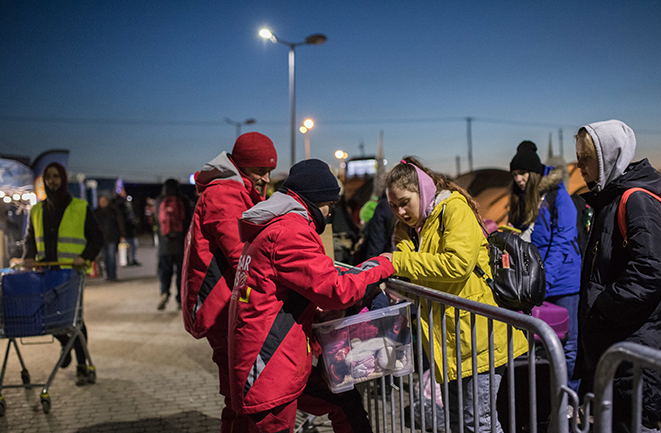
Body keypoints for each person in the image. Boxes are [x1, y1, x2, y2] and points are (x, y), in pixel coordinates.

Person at [229, 159, 394, 433]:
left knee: (343, 401)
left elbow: (284, 291)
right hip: (269, 365)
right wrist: (381, 265)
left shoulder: (277, 226)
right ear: (319, 201)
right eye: (332, 204)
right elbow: (335, 290)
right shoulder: (289, 232)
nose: (330, 215)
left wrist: (314, 310)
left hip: (277, 359)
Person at [383, 157, 528, 433]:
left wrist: (397, 261)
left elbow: (456, 265)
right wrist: (401, 249)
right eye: (393, 206)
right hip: (448, 340)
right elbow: (407, 273)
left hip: (478, 336)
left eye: (404, 202)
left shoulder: (454, 209)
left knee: (479, 423)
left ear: (422, 191)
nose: (400, 212)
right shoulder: (412, 228)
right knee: (456, 422)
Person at [574, 120, 661, 432]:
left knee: (636, 425)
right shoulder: (609, 198)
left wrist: (605, 307)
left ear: (610, 157)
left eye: (586, 158)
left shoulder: (636, 200)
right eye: (578, 156)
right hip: (619, 344)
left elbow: (654, 268)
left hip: (637, 346)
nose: (578, 165)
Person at [181, 131, 277, 433]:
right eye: (260, 170)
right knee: (241, 393)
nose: (265, 178)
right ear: (243, 165)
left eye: (269, 171)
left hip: (228, 302)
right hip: (221, 305)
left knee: (240, 392)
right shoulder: (224, 194)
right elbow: (242, 255)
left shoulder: (239, 190)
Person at [507, 140, 581, 393]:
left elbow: (562, 240)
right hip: (535, 282)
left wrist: (545, 279)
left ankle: (569, 401)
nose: (518, 179)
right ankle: (547, 398)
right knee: (541, 344)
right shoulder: (520, 198)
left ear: (535, 172)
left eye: (523, 173)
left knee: (567, 344)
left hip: (563, 282)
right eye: (515, 174)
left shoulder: (557, 195)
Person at [22, 162, 103, 386]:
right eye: (48, 177)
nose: (52, 181)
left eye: (56, 176)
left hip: (70, 273)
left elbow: (97, 237)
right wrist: (28, 256)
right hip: (46, 272)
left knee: (75, 319)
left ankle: (81, 363)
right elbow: (30, 239)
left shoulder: (79, 206)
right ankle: (65, 345)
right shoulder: (37, 210)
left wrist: (84, 256)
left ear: (63, 179)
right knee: (48, 317)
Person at [156, 178, 192, 311]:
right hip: (181, 244)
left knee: (165, 271)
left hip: (164, 245)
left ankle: (164, 292)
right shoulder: (183, 200)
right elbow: (189, 220)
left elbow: (156, 221)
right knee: (181, 273)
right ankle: (180, 299)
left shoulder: (159, 201)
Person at [93, 194, 125, 281]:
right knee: (105, 257)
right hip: (101, 239)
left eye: (104, 201)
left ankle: (113, 275)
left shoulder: (113, 211)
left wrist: (122, 235)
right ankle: (108, 275)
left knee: (111, 257)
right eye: (101, 201)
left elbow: (120, 223)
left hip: (112, 237)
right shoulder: (96, 213)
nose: (103, 203)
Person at [113, 188, 141, 266]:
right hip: (126, 229)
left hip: (131, 228)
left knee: (134, 245)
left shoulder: (128, 202)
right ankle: (127, 260)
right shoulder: (119, 204)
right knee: (127, 246)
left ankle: (133, 259)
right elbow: (120, 219)